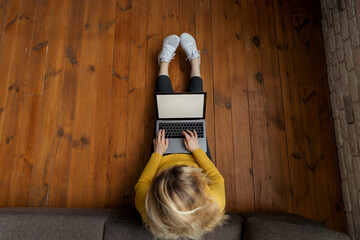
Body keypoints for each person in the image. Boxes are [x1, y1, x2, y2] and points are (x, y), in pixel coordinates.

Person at [135, 33, 226, 240]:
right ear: (199, 186)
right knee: (195, 111)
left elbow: (141, 184)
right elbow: (217, 178)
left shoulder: (148, 208)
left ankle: (163, 63)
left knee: (163, 112)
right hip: (197, 153)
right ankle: (195, 63)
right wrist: (196, 150)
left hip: (162, 152)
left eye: (167, 174)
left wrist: (158, 154)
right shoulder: (216, 203)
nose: (178, 164)